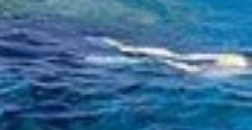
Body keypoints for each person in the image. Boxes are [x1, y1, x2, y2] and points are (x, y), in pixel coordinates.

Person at [100, 38, 248, 76]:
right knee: (185, 67)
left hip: (236, 58)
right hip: (238, 64)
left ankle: (119, 46)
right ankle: (111, 57)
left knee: (177, 57)